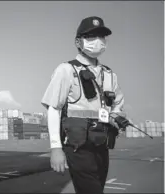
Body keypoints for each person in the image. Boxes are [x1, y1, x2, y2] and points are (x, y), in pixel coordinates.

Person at [41, 16, 126, 194]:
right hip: (77, 146)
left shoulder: (109, 74)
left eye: (102, 36)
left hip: (101, 144)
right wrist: (56, 148)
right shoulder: (66, 70)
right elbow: (53, 109)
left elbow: (117, 104)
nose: (98, 41)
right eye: (91, 37)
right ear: (78, 42)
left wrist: (118, 116)